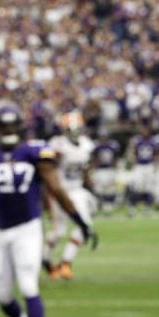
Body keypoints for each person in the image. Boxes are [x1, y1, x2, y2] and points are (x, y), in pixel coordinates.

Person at [0, 104, 98, 317]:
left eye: (12, 125)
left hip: (27, 228)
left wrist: (79, 221)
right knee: (0, 295)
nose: (8, 131)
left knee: (29, 286)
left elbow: (55, 188)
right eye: (3, 126)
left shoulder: (34, 153)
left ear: (20, 127)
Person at [43, 112, 97, 281]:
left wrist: (90, 185)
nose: (74, 132)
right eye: (70, 129)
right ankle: (44, 259)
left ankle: (66, 263)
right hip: (60, 191)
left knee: (85, 225)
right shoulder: (57, 145)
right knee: (58, 232)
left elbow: (86, 169)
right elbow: (47, 169)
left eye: (77, 128)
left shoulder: (87, 145)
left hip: (77, 190)